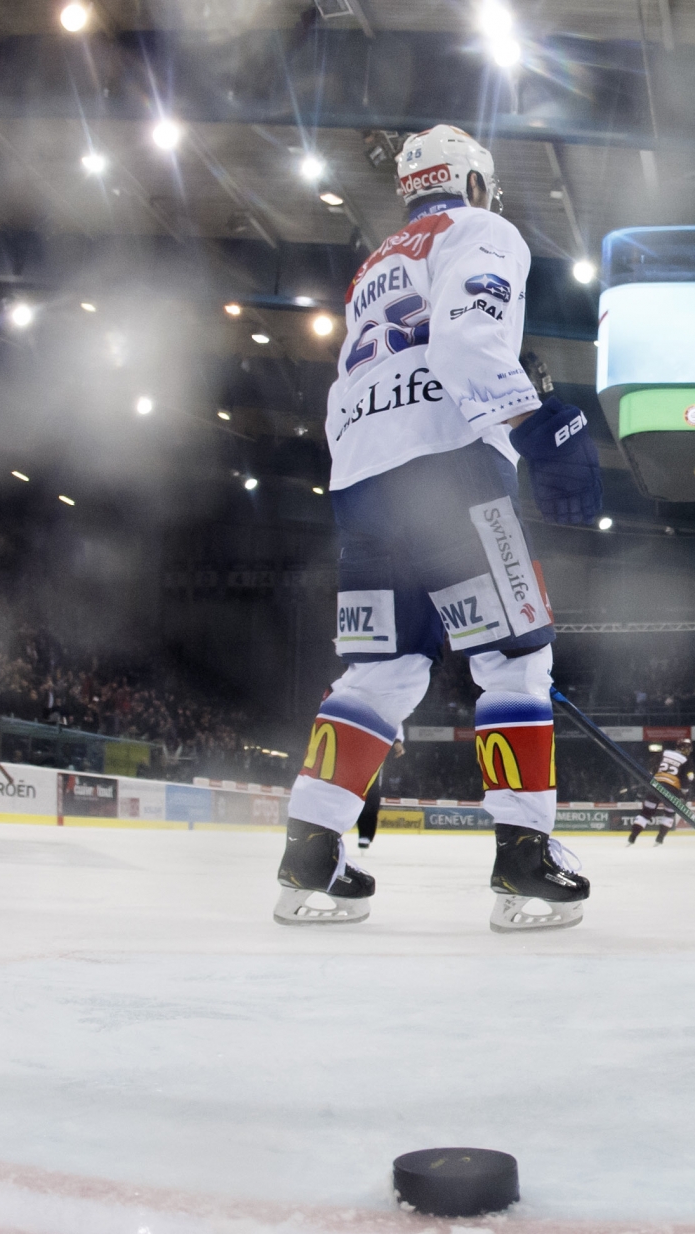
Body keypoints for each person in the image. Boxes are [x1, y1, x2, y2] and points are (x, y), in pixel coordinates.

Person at [273, 124, 603, 934]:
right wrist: (536, 424)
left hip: (361, 484)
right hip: (454, 472)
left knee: (378, 674)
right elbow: (465, 345)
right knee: (515, 661)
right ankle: (524, 859)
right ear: (473, 182)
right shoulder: (481, 230)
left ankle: (310, 854)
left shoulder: (372, 265)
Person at [628, 739, 691, 845]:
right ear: (683, 748)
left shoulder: (664, 753)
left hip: (656, 787)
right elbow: (686, 780)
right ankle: (660, 839)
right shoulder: (686, 760)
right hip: (672, 790)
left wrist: (651, 778)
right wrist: (684, 794)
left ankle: (632, 837)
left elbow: (652, 768)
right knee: (669, 814)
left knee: (646, 813)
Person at [354, 736, 406, 849]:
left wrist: (397, 740)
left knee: (370, 796)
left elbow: (395, 721)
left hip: (375, 749)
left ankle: (365, 835)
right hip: (356, 748)